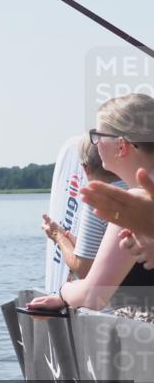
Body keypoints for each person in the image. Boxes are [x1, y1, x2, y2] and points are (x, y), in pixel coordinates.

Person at [29, 94, 154, 312]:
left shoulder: (131, 204)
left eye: (97, 135)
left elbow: (94, 295)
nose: (94, 143)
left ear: (122, 146)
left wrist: (63, 292)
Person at [40, 136, 127, 280]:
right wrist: (66, 236)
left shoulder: (97, 200)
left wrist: (57, 236)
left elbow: (83, 268)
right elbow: (105, 250)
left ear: (86, 168)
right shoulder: (138, 191)